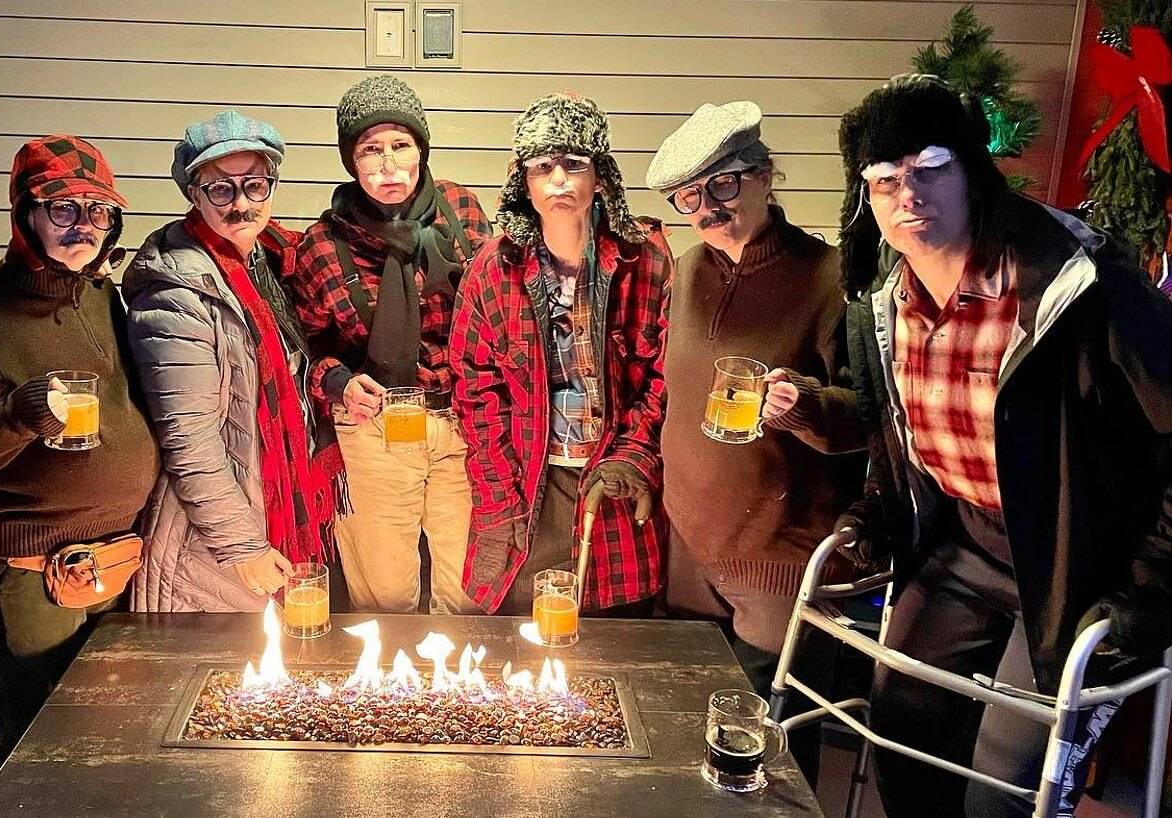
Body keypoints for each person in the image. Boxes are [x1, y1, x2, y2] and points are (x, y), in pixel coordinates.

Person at [835, 75, 1172, 818]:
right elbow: (895, 435)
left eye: (930, 169)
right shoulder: (883, 307)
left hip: (1078, 560)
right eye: (885, 181)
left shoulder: (1076, 284)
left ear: (971, 168)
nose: (908, 196)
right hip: (965, 542)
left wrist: (1151, 587)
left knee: (1002, 780)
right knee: (901, 731)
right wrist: (879, 511)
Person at [644, 101, 862, 779]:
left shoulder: (829, 278)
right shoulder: (684, 272)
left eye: (724, 184)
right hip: (687, 555)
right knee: (685, 745)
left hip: (776, 563)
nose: (707, 207)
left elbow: (875, 418)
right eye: (689, 196)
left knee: (770, 759)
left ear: (766, 176)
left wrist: (805, 407)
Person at [0, 135, 159, 761]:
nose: (84, 227)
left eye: (99, 212)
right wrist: (22, 412)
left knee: (118, 724)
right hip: (39, 570)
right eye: (63, 208)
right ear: (25, 214)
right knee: (41, 741)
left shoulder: (105, 298)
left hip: (122, 556)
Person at [449, 92, 670, 617]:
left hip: (612, 475)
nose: (559, 182)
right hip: (528, 478)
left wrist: (633, 455)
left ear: (600, 177)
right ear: (522, 181)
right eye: (542, 167)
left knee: (617, 628)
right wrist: (500, 490)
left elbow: (664, 375)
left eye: (575, 165)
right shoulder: (494, 268)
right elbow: (474, 387)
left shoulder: (645, 259)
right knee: (521, 633)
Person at [124, 111, 345, 612]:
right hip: (217, 540)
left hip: (274, 503)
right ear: (193, 195)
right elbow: (188, 435)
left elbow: (292, 365)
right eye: (220, 189)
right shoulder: (176, 293)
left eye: (255, 185)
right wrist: (241, 545)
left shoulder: (272, 266)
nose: (241, 203)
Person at [291, 75, 492, 614]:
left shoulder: (461, 212)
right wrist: (336, 381)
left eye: (401, 145)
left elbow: (497, 314)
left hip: (461, 424)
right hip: (375, 429)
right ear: (351, 162)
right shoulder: (322, 245)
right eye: (370, 150)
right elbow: (306, 348)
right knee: (384, 595)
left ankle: (463, 694)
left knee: (468, 588)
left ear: (421, 148)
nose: (388, 165)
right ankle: (388, 697)